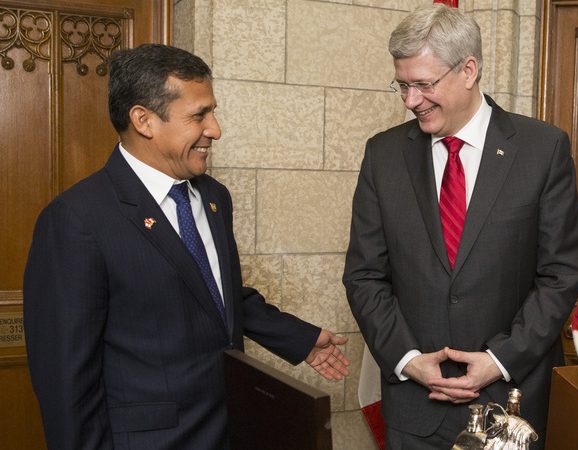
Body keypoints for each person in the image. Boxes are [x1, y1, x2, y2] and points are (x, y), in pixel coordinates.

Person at [23, 44, 350, 450]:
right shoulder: (77, 219)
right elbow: (65, 381)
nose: (215, 129)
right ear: (143, 120)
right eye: (199, 115)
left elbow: (214, 292)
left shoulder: (214, 197)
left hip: (229, 428)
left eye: (212, 112)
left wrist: (298, 337)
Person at [343, 4, 578, 449]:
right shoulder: (383, 155)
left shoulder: (542, 149)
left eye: (423, 84)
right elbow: (364, 275)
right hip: (415, 408)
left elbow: (560, 274)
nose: (410, 100)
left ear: (469, 69)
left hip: (511, 408)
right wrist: (408, 360)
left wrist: (499, 359)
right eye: (402, 85)